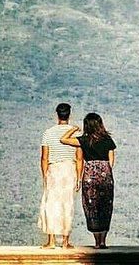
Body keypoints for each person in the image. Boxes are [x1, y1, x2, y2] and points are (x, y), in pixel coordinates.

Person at [60, 112, 116, 249]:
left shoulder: (84, 140)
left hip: (89, 174)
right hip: (105, 175)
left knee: (91, 207)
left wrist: (73, 129)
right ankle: (103, 241)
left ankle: (97, 241)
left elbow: (63, 139)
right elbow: (111, 161)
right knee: (105, 207)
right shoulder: (108, 140)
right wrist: (104, 171)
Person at [38, 102, 82, 249]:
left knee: (50, 204)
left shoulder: (48, 133)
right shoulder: (75, 133)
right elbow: (79, 157)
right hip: (69, 170)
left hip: (54, 170)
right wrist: (79, 177)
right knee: (67, 205)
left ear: (56, 114)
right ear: (69, 115)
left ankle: (51, 241)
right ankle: (65, 241)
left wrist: (45, 175)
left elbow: (44, 157)